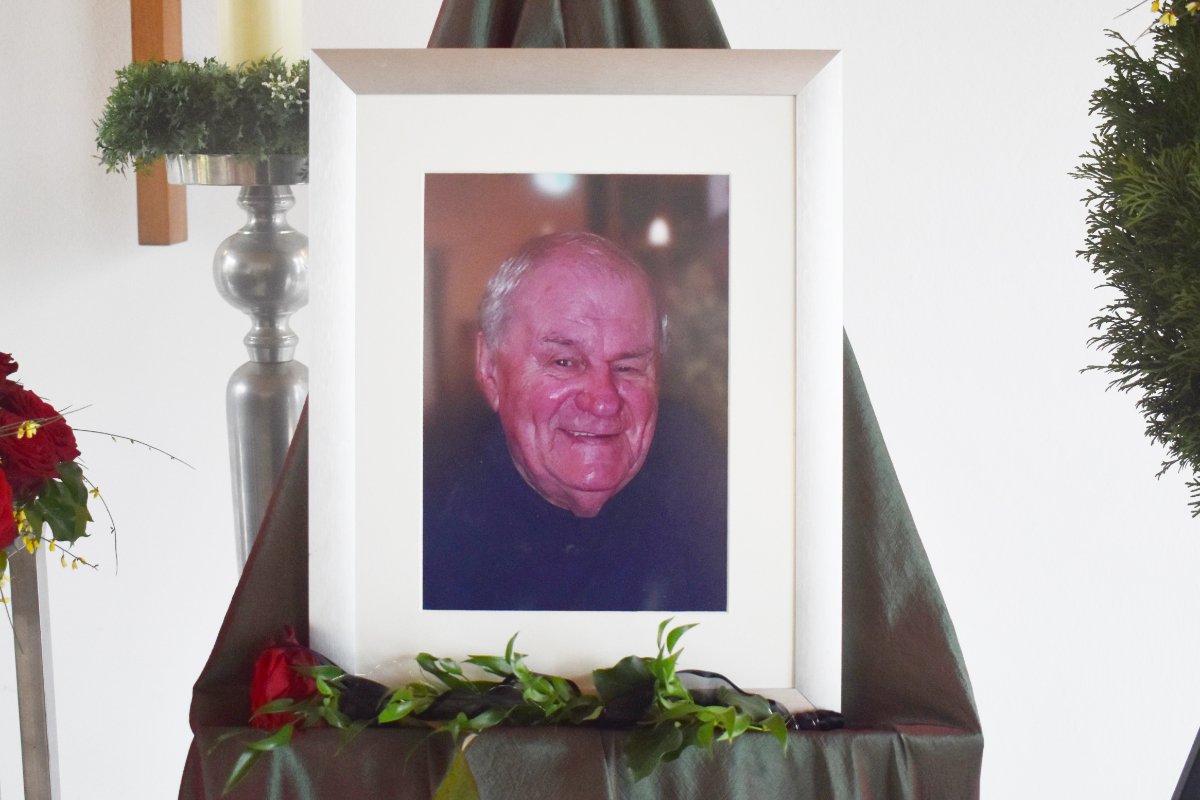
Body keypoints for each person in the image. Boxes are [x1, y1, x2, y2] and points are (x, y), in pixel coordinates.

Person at [423, 232, 726, 611]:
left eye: (628, 367)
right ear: (489, 368)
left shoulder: (698, 481)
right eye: (565, 362)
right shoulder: (425, 542)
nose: (603, 400)